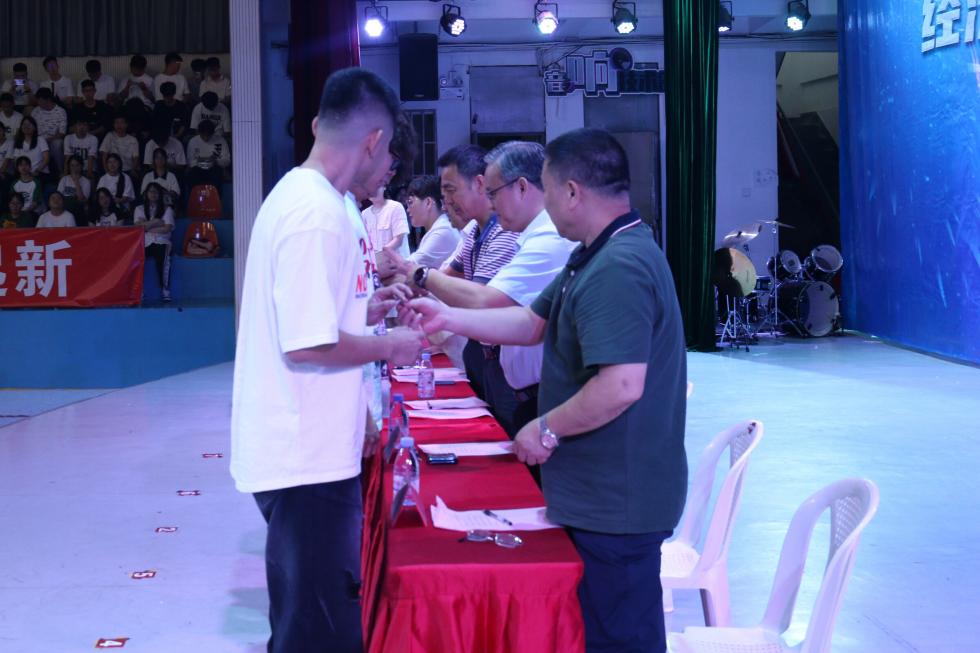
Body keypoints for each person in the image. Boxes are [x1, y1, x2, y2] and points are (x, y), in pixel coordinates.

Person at [405, 128, 688, 653]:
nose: (545, 206)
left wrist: (546, 428)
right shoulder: (592, 253)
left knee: (618, 635)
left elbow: (622, 384)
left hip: (617, 497)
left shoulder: (619, 265)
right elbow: (529, 322)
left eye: (549, 190)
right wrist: (445, 317)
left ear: (572, 192)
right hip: (595, 490)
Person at [231, 67, 426, 653]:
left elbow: (321, 316)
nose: (387, 165)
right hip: (303, 457)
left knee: (318, 617)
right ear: (373, 141)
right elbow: (307, 343)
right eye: (388, 152)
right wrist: (392, 345)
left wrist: (366, 310)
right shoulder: (314, 213)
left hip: (316, 446)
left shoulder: (323, 202)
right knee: (317, 632)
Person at [401, 174, 461, 269]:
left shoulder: (443, 230)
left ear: (428, 202)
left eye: (410, 202)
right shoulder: (440, 226)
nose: (408, 210)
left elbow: (407, 267)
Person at [133, 183, 175, 302]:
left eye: (156, 192)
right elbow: (138, 228)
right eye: (151, 191)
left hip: (162, 241)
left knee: (163, 259)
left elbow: (167, 228)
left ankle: (165, 290)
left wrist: (146, 226)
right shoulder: (139, 209)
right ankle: (139, 291)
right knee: (134, 258)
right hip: (145, 242)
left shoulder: (167, 209)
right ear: (146, 194)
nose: (153, 194)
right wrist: (156, 221)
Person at [361, 185, 410, 271]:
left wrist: (379, 256)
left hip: (398, 266)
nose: (373, 190)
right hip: (377, 268)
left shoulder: (396, 207)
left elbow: (399, 239)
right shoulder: (364, 214)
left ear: (384, 187)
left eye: (377, 186)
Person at [185, 120, 230, 191]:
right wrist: (201, 161)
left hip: (214, 168)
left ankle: (214, 196)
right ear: (199, 133)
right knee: (192, 174)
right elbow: (190, 161)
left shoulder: (221, 140)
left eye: (208, 135)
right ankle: (195, 196)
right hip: (198, 169)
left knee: (217, 173)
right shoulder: (193, 141)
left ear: (213, 133)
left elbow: (227, 160)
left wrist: (216, 161)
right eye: (203, 136)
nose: (206, 138)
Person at [31, 89, 67, 174]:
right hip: (37, 141)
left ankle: (60, 171)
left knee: (57, 144)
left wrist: (46, 140)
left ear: (48, 99)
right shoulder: (36, 111)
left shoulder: (60, 111)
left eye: (40, 100)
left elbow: (61, 133)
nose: (38, 103)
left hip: (52, 141)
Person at [58, 155, 92, 222]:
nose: (74, 168)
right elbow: (59, 196)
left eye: (77, 165)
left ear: (81, 166)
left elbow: (82, 200)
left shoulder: (86, 181)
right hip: (64, 208)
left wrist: (76, 181)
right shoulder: (64, 179)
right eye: (72, 165)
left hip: (78, 209)